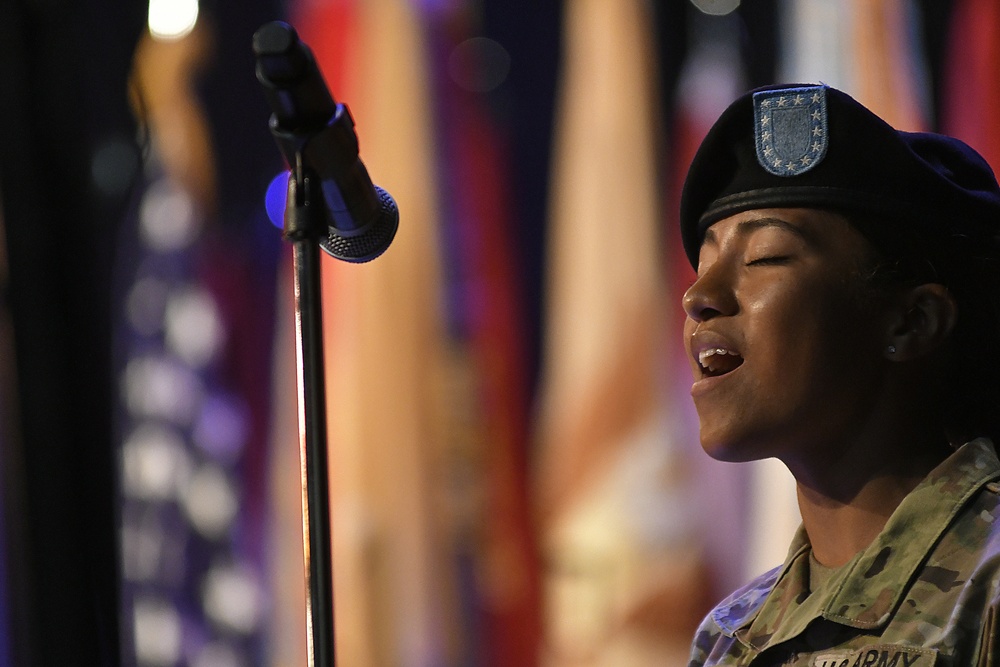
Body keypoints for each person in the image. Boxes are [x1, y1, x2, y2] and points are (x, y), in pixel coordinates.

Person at [680, 83, 1000, 666]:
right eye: (703, 263)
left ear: (912, 322)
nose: (699, 296)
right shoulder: (731, 638)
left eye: (765, 257)